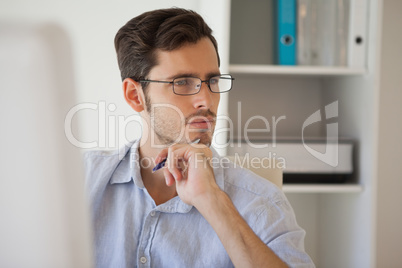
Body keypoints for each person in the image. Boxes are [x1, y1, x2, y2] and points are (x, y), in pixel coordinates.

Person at [84, 8, 314, 268]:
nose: (206, 100)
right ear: (135, 96)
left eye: (212, 80)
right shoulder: (80, 182)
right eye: (182, 82)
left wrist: (212, 201)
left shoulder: (262, 203)